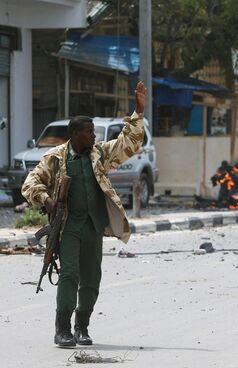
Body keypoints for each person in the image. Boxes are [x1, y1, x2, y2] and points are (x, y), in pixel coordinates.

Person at [22, 81, 147, 348]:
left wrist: (138, 111)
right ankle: (62, 329)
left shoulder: (98, 154)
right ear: (76, 134)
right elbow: (30, 184)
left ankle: (82, 327)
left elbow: (129, 142)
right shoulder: (56, 158)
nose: (93, 136)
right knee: (69, 275)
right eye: (89, 132)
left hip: (93, 226)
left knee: (92, 278)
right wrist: (47, 200)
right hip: (68, 227)